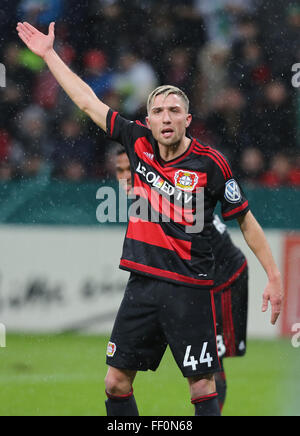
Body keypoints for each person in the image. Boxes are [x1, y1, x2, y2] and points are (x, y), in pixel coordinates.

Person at [16, 22, 283, 417]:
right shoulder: (135, 139)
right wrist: (50, 55)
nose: (166, 117)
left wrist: (274, 278)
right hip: (141, 285)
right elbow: (88, 102)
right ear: (150, 119)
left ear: (188, 119)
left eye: (175, 110)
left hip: (190, 290)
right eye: (158, 111)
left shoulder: (211, 164)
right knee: (115, 382)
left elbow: (246, 220)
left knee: (202, 386)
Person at [114, 147, 248, 411]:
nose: (125, 176)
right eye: (119, 171)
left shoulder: (166, 189)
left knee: (210, 366)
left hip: (224, 280)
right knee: (205, 369)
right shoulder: (152, 192)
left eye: (129, 168)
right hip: (195, 281)